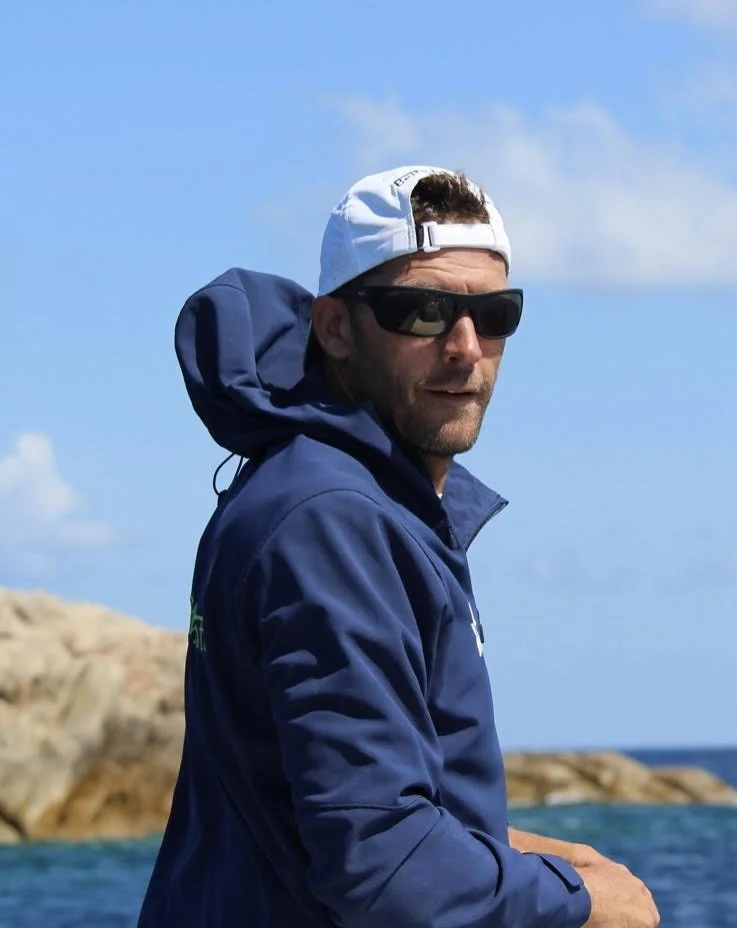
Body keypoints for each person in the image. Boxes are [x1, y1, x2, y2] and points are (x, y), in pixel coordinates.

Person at [137, 166, 660, 927]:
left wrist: (534, 861)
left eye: (494, 313)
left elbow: (328, 814)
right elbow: (384, 864)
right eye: (421, 311)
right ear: (335, 328)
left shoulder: (340, 500)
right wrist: (584, 903)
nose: (463, 345)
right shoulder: (333, 520)